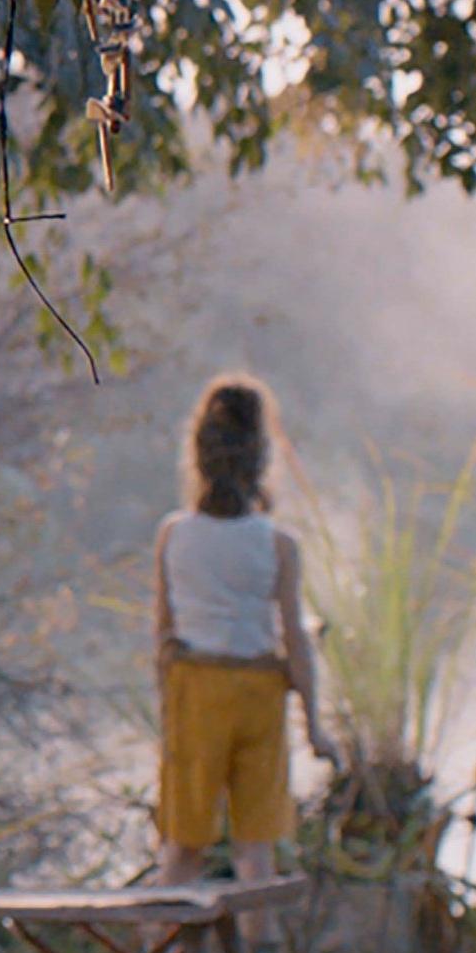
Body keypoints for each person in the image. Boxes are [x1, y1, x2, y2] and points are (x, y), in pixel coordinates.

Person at [150, 375, 332, 891]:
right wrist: (315, 726)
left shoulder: (173, 536)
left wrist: (171, 714)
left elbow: (162, 635)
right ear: (261, 459)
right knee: (256, 852)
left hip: (196, 690)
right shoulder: (277, 544)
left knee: (183, 847)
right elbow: (294, 641)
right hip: (259, 692)